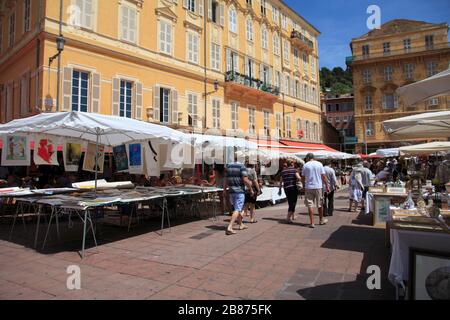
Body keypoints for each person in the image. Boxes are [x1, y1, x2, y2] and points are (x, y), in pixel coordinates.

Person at [223, 161, 254, 235]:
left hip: (231, 191)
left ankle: (241, 224)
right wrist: (251, 189)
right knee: (237, 209)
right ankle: (230, 227)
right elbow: (245, 179)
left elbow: (226, 180)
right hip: (239, 191)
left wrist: (224, 189)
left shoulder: (229, 166)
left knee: (238, 208)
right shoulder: (242, 166)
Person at [301, 153, 329, 228]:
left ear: (308, 158)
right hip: (318, 186)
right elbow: (323, 176)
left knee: (310, 205)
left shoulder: (305, 165)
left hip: (308, 187)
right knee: (319, 204)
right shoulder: (319, 164)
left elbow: (302, 177)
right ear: (313, 157)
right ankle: (321, 220)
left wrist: (303, 186)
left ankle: (312, 223)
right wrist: (327, 185)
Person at [279, 159, 301, 223]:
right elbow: (299, 178)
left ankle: (293, 216)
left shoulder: (283, 171)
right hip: (293, 188)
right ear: (292, 163)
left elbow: (281, 181)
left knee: (290, 202)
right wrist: (296, 181)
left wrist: (280, 189)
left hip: (286, 188)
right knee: (293, 203)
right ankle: (288, 218)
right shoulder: (294, 170)